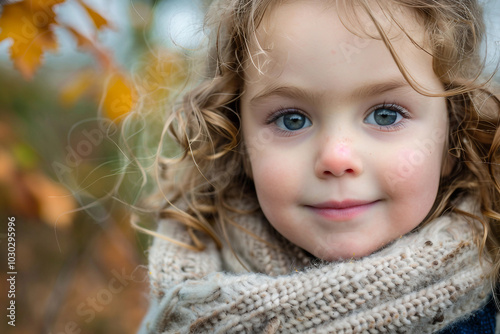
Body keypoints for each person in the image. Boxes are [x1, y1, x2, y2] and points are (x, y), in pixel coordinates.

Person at [135, 0, 500, 332]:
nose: (336, 159)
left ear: (454, 133)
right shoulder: (184, 297)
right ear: (238, 142)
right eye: (291, 120)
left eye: (386, 115)